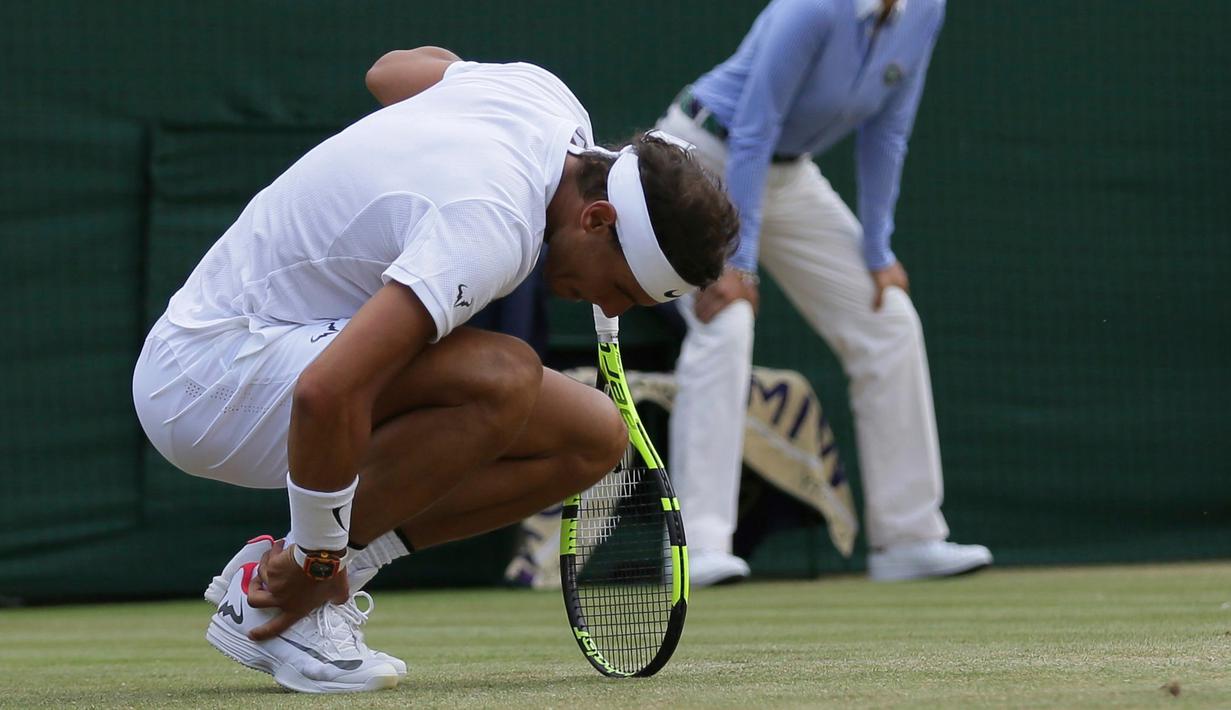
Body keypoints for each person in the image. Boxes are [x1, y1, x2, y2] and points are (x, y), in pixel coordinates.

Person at [132, 46, 738, 693]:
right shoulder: (491, 225)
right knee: (500, 374)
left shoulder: (541, 101)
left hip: (271, 348)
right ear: (596, 218)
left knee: (593, 433)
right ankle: (294, 591)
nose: (608, 306)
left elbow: (389, 71)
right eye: (619, 286)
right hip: (204, 384)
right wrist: (314, 559)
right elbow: (326, 392)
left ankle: (306, 574)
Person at [656, 0, 992, 586]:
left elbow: (890, 128)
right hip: (704, 158)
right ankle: (698, 547)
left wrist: (878, 251)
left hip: (789, 176)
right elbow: (756, 126)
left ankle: (908, 537)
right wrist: (741, 264)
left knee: (888, 318)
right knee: (727, 320)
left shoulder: (926, 10)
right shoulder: (811, 8)